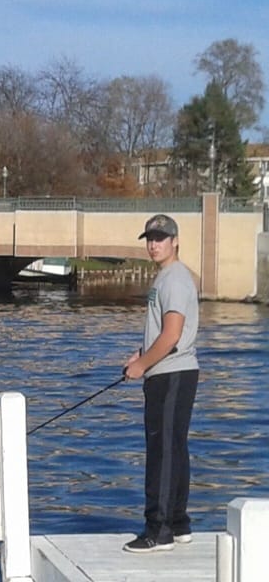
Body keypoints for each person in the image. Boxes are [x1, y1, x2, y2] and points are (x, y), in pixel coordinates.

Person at [122, 214, 199, 554]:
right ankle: (179, 524)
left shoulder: (175, 280)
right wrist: (141, 353)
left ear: (175, 241)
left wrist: (142, 364)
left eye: (161, 238)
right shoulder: (166, 278)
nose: (154, 245)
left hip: (171, 374)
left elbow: (172, 335)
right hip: (169, 371)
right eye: (150, 239)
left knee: (163, 452)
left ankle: (159, 530)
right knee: (174, 448)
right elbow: (161, 334)